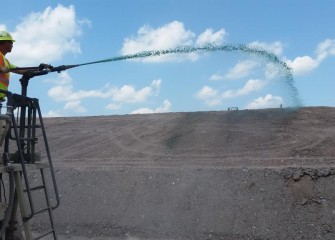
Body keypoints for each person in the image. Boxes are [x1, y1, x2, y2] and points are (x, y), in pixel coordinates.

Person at [0, 30, 28, 101]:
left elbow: (21, 70)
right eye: (10, 41)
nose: (12, 44)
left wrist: (39, 69)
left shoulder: (6, 61)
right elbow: (2, 68)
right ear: (2, 42)